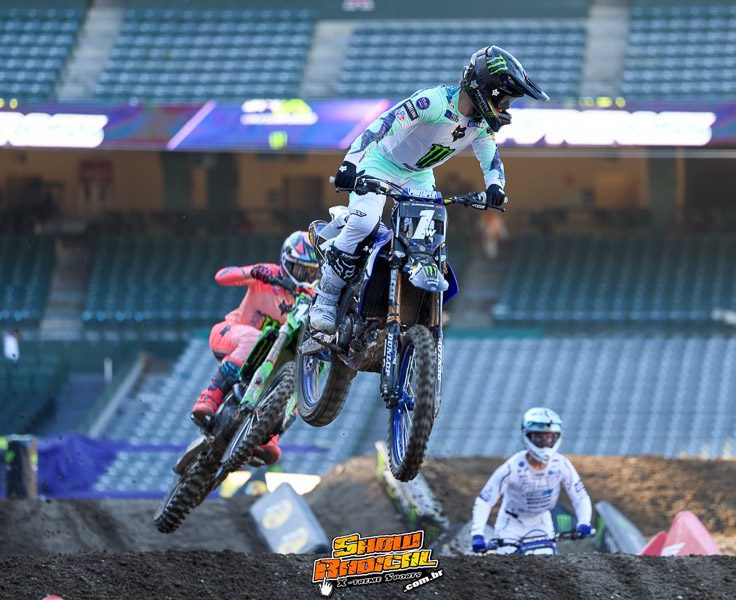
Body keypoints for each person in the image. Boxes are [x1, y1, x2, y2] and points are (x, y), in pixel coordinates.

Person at [310, 45, 549, 333]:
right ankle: (326, 298)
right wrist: (351, 162)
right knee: (363, 223)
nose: (505, 108)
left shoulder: (480, 125)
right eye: (505, 99)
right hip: (380, 163)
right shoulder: (433, 102)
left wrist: (496, 187)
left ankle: (399, 307)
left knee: (425, 243)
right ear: (487, 89)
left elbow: (491, 160)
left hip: (418, 176)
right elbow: (384, 124)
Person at [191, 231, 319, 465]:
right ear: (287, 262)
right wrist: (253, 272)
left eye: (311, 273)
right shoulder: (268, 274)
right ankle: (210, 397)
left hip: (268, 360)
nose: (305, 278)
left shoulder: (310, 299)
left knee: (307, 372)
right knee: (253, 338)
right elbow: (222, 277)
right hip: (230, 334)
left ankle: (272, 436)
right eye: (301, 270)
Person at [470, 407, 592, 555]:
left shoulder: (561, 465)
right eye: (539, 437)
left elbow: (580, 497)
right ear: (528, 436)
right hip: (511, 525)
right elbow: (485, 501)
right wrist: (477, 534)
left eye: (549, 437)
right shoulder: (513, 467)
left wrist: (584, 522)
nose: (545, 443)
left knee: (548, 564)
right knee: (507, 564)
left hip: (541, 522)